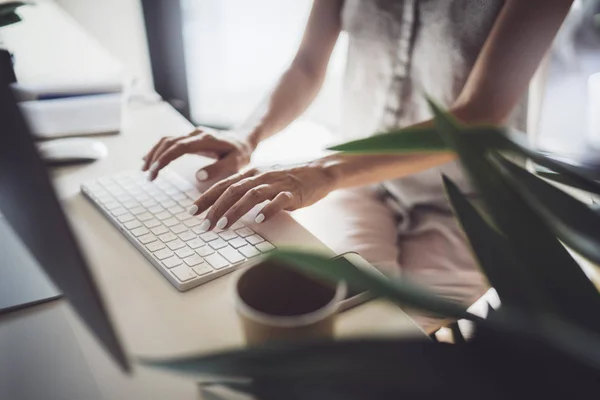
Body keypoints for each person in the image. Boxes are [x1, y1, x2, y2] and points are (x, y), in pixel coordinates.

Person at [142, 0, 573, 331]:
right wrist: (246, 134)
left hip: (468, 202)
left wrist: (322, 171)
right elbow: (308, 64)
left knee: (384, 335)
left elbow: (478, 113)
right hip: (362, 186)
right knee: (328, 316)